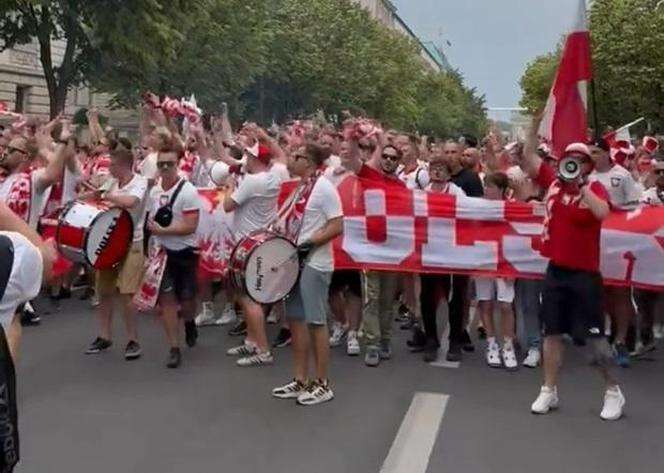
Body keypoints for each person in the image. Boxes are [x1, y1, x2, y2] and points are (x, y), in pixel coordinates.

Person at [520, 119, 625, 421]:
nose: (574, 164)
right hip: (556, 271)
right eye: (570, 159)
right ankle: (548, 389)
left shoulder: (594, 188)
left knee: (594, 339)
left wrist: (580, 184)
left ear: (589, 165)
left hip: (585, 275)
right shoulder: (553, 182)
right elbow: (529, 158)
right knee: (551, 333)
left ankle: (613, 390)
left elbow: (602, 213)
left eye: (581, 160)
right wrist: (532, 128)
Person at [272, 143, 342, 405]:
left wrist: (310, 242)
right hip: (294, 262)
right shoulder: (301, 187)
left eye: (297, 156)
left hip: (315, 262)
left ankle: (322, 383)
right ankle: (300, 379)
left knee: (315, 322)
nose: (292, 158)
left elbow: (337, 224)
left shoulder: (323, 187)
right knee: (296, 321)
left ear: (310, 163)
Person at [342, 126, 404, 367]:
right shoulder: (369, 175)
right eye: (385, 157)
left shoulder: (402, 188)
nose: (388, 161)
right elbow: (353, 159)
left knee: (388, 300)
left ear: (399, 161)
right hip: (370, 248)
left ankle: (386, 338)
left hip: (392, 251)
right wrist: (356, 137)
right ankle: (373, 344)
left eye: (393, 158)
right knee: (371, 298)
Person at [83, 148, 148, 360]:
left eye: (112, 165)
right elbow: (96, 195)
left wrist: (107, 195)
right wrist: (81, 199)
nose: (109, 168)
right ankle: (104, 336)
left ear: (122, 165)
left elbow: (131, 202)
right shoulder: (111, 182)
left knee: (127, 294)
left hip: (132, 242)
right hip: (108, 241)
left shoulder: (140, 182)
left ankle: (133, 339)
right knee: (104, 291)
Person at [223, 143, 284, 367]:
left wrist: (229, 186)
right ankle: (252, 340)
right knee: (249, 295)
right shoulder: (274, 177)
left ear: (255, 158)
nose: (245, 159)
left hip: (246, 244)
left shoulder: (251, 181)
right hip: (262, 242)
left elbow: (228, 205)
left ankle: (263, 350)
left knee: (249, 298)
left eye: (248, 155)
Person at [588, 139, 642, 366]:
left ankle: (621, 341)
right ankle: (602, 339)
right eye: (589, 152)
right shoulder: (585, 177)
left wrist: (617, 209)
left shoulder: (622, 175)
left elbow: (636, 206)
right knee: (598, 296)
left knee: (620, 294)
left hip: (619, 243)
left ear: (606, 153)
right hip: (593, 244)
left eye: (596, 152)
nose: (592, 156)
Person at [147, 143, 201, 368]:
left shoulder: (188, 191)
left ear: (177, 164)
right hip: (163, 254)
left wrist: (163, 231)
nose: (165, 168)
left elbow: (190, 226)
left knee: (187, 301)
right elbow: (151, 221)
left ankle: (189, 322)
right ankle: (174, 347)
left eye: (169, 163)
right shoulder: (155, 190)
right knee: (167, 301)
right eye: (161, 164)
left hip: (185, 252)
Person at [416, 150, 466, 362]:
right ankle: (431, 339)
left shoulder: (457, 192)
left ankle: (455, 340)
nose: (437, 172)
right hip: (428, 252)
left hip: (451, 253)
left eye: (442, 169)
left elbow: (467, 214)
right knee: (427, 297)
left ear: (449, 173)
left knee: (454, 298)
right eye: (433, 168)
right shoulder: (420, 193)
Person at [444, 140, 483, 360]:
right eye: (446, 152)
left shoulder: (470, 179)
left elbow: (477, 208)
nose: (449, 156)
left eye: (454, 152)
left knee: (460, 292)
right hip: (439, 244)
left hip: (461, 242)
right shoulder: (437, 177)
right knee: (437, 291)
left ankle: (459, 334)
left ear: (461, 155)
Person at [474, 173, 518, 370]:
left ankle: (507, 345)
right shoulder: (476, 207)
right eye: (485, 185)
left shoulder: (511, 207)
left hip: (505, 261)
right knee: (485, 302)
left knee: (506, 305)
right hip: (484, 260)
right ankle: (491, 343)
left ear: (501, 189)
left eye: (491, 186)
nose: (486, 190)